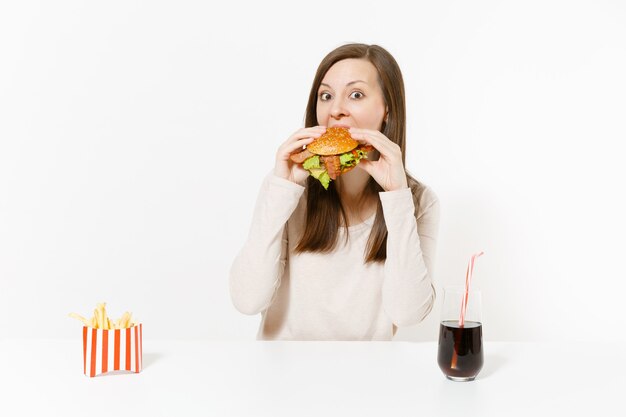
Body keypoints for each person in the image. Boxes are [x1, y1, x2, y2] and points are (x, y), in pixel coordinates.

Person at [229, 43, 440, 341]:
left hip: (367, 379)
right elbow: (247, 300)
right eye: (326, 96)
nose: (335, 109)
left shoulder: (418, 200)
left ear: (387, 111)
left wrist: (397, 198)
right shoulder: (287, 186)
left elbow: (408, 313)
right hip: (283, 378)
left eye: (356, 95)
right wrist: (281, 190)